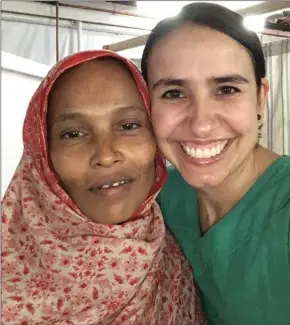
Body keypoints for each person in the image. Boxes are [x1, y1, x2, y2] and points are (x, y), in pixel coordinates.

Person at [141, 2, 290, 325]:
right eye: (173, 93)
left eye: (226, 89)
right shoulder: (159, 199)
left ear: (260, 98)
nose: (200, 124)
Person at [1, 50, 206, 325]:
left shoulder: (172, 246)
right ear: (42, 154)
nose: (106, 155)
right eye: (73, 134)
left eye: (129, 125)